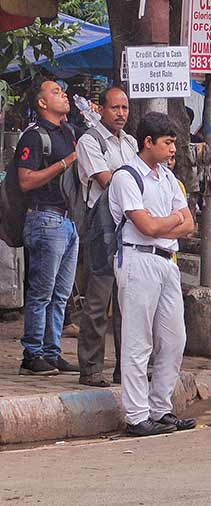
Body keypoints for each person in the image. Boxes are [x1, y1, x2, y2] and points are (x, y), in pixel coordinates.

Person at [108, 112, 196, 437]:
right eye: (168, 142)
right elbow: (145, 227)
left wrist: (165, 222)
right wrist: (170, 221)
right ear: (149, 142)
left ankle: (161, 408)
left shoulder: (168, 178)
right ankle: (136, 415)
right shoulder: (127, 176)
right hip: (136, 259)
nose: (173, 149)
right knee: (137, 341)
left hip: (166, 261)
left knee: (174, 338)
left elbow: (189, 223)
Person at [14, 77, 81, 375]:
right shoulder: (34, 136)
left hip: (67, 219)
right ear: (42, 103)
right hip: (44, 218)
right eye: (56, 92)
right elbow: (25, 180)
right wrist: (64, 163)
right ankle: (32, 353)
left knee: (61, 293)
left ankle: (51, 352)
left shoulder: (67, 131)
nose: (63, 95)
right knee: (41, 291)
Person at [75, 86, 138, 387]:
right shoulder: (90, 141)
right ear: (101, 109)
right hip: (101, 227)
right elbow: (107, 180)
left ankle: (124, 369)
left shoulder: (131, 143)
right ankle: (90, 369)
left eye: (124, 108)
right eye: (115, 108)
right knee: (98, 301)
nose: (121, 114)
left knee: (127, 303)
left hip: (129, 226)